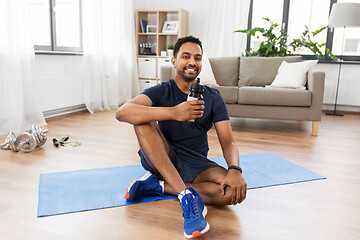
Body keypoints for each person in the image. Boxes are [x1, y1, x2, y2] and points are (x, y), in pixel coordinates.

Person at [116, 35, 247, 239]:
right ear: (175, 61)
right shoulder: (162, 91)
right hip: (162, 157)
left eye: (197, 58)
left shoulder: (213, 97)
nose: (192, 62)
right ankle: (187, 198)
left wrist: (234, 169)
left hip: (196, 163)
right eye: (186, 56)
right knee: (141, 119)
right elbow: (122, 112)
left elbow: (228, 140)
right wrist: (174, 112)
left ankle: (160, 187)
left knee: (231, 192)